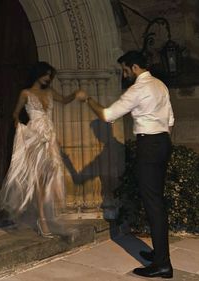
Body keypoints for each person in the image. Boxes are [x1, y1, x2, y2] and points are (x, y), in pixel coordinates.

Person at [76, 51, 174, 278]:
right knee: (157, 201)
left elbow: (107, 115)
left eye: (125, 69)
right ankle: (160, 254)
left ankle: (163, 265)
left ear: (135, 67)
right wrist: (161, 143)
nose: (124, 73)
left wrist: (87, 99)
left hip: (149, 145)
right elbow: (170, 121)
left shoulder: (139, 88)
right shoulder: (160, 85)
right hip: (163, 142)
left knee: (153, 204)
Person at [0, 61, 78, 238]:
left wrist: (76, 94)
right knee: (39, 178)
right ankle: (42, 219)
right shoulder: (25, 93)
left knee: (50, 176)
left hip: (49, 136)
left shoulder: (49, 92)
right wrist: (18, 123)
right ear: (37, 73)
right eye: (46, 74)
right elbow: (15, 112)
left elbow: (64, 100)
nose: (48, 78)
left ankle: (47, 217)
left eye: (50, 75)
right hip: (35, 136)